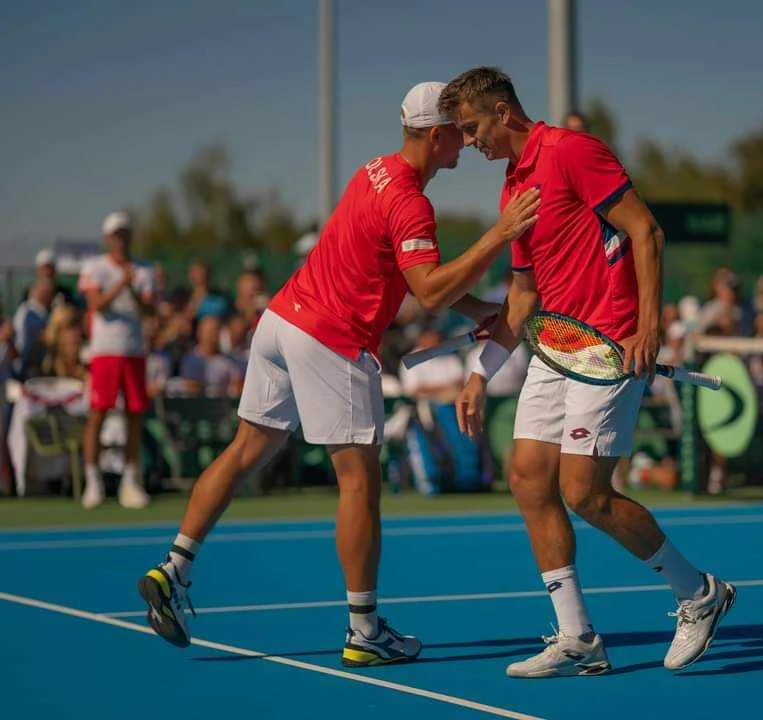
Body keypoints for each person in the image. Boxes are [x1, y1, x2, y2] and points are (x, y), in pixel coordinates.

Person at [136, 82, 540, 668]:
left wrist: (481, 311)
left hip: (281, 321)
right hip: (331, 339)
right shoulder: (411, 201)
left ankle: (173, 567)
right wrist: (498, 236)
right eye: (459, 128)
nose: (469, 137)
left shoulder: (375, 170)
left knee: (245, 448)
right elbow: (427, 289)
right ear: (435, 136)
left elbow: (405, 273)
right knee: (359, 484)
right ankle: (364, 630)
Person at [439, 67, 734, 678]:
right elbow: (522, 299)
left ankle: (698, 592)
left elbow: (645, 230)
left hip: (610, 350)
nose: (469, 143)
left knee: (583, 493)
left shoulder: (573, 152)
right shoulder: (512, 187)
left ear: (503, 111)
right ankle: (577, 638)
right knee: (527, 477)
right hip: (558, 346)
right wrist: (478, 374)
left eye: (472, 129)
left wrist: (647, 327)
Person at [77, 211, 158, 510]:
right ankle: (93, 481)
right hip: (104, 351)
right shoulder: (95, 267)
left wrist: (133, 287)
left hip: (134, 351)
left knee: (134, 416)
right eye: (116, 235)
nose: (121, 240)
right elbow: (96, 304)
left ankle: (131, 482)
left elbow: (148, 312)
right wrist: (122, 282)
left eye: (125, 234)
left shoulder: (145, 270)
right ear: (108, 238)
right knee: (98, 414)